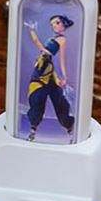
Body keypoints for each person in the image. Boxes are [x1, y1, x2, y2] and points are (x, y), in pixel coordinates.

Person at [25, 14, 75, 142]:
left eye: (57, 23)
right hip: (42, 69)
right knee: (37, 98)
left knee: (59, 101)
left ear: (63, 24)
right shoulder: (55, 38)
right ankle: (32, 130)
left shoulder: (62, 40)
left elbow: (60, 57)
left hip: (46, 68)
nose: (54, 26)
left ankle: (71, 130)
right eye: (52, 24)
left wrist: (65, 76)